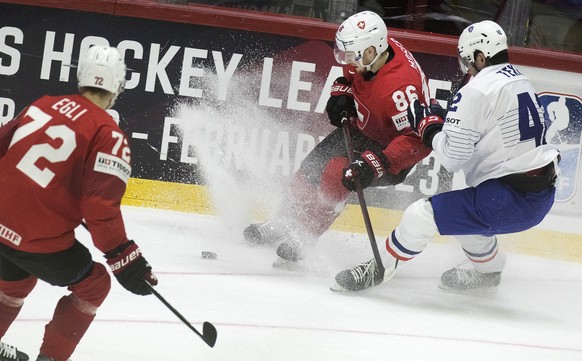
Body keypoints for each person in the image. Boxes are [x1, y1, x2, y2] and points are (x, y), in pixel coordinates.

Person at [333, 20, 560, 292]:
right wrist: (440, 125)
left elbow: (453, 158)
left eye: (467, 60)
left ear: (480, 56)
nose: (465, 67)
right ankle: (489, 272)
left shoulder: (476, 90)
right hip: (541, 195)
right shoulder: (520, 80)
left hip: (507, 200)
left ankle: (378, 269)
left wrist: (428, 129)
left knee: (421, 215)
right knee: (468, 220)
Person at [0, 45, 158, 361]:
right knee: (95, 285)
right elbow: (101, 207)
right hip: (37, 240)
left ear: (81, 76)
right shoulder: (109, 135)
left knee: (14, 278)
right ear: (118, 86)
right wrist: (126, 260)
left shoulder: (42, 105)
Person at [243, 11, 432, 264]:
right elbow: (350, 77)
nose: (346, 60)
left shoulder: (401, 89)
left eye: (350, 55)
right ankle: (284, 221)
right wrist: (342, 92)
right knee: (311, 167)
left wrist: (380, 163)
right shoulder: (367, 52)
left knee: (336, 173)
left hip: (390, 149)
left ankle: (307, 235)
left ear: (370, 52)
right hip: (364, 129)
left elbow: (418, 140)